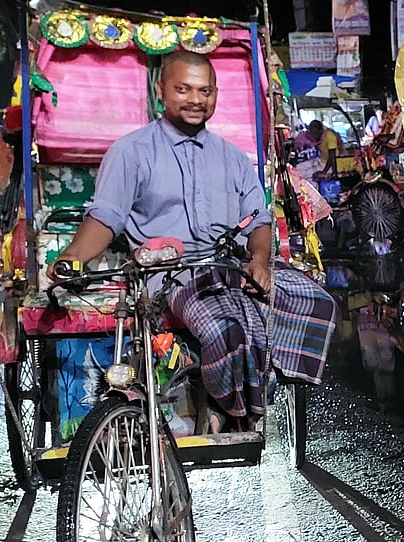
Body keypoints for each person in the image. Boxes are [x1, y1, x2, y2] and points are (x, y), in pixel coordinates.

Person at [50, 50, 337, 429]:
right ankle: (228, 406)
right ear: (161, 91)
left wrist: (261, 261)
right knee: (225, 329)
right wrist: (71, 258)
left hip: (230, 267)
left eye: (205, 91)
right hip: (174, 276)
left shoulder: (233, 158)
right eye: (183, 89)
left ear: (216, 95)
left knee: (315, 299)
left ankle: (260, 383)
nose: (196, 100)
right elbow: (106, 218)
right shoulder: (131, 152)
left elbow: (258, 219)